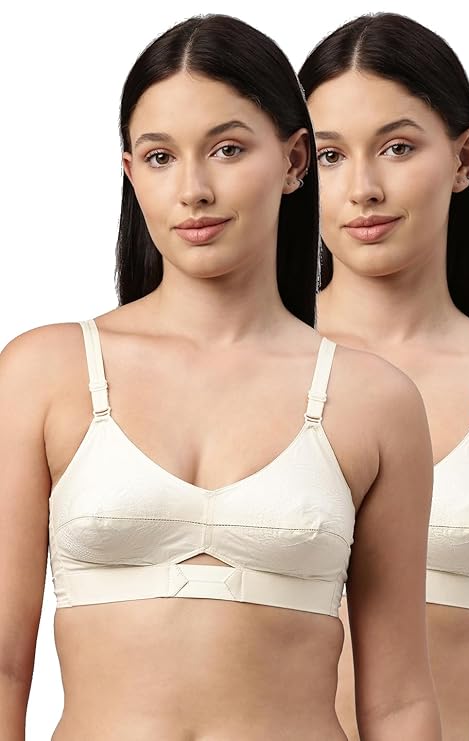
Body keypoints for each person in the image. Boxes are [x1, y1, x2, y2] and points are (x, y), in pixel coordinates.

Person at [0, 14, 441, 740]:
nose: (194, 189)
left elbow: (398, 702)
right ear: (130, 173)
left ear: (295, 161)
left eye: (227, 149)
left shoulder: (375, 401)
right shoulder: (44, 374)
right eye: (160, 157)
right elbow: (6, 667)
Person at [299, 11, 469, 741]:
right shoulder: (243, 369)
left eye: (398, 147)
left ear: (464, 159)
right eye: (330, 156)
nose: (363, 188)